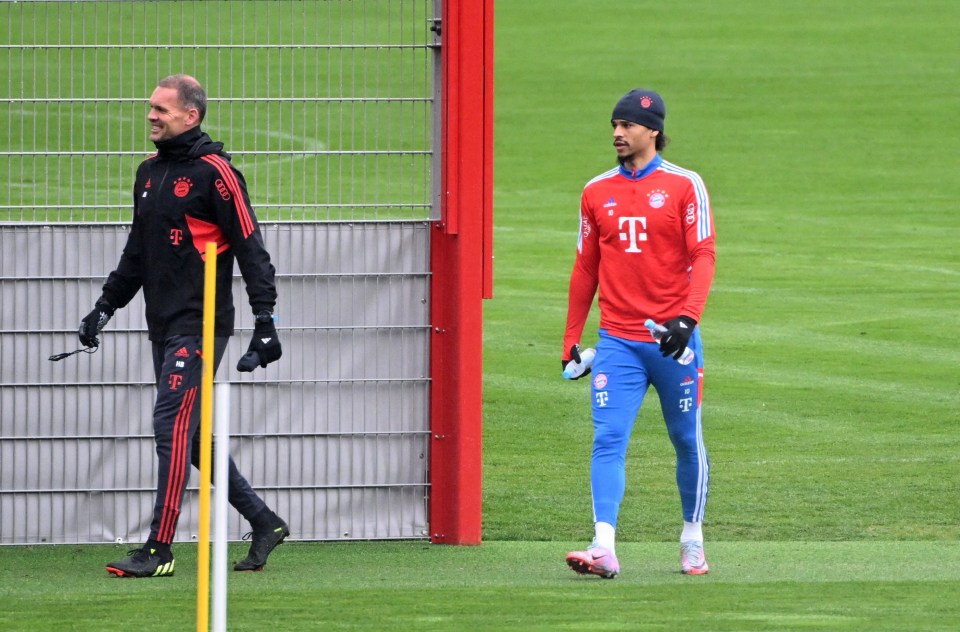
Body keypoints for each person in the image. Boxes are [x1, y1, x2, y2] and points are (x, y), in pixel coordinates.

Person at [79, 74, 289, 578]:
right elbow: (137, 252)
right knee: (191, 439)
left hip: (201, 326)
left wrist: (266, 320)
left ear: (190, 116)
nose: (151, 116)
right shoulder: (148, 173)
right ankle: (265, 522)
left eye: (162, 110)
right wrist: (105, 306)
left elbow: (250, 247)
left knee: (168, 427)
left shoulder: (217, 173)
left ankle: (158, 550)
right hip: (162, 324)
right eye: (150, 108)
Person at [561, 88, 716, 578]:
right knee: (608, 439)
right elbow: (585, 268)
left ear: (653, 131)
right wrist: (571, 338)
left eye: (626, 125)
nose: (617, 133)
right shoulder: (594, 191)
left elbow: (704, 255)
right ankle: (603, 546)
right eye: (614, 124)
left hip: (674, 343)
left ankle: (692, 536)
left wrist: (687, 320)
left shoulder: (685, 186)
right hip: (618, 342)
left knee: (686, 441)